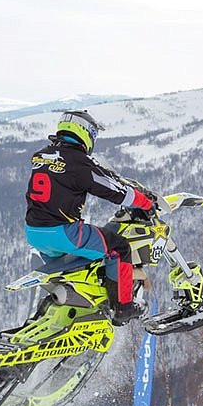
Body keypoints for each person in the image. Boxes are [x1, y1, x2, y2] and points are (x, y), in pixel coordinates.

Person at [24, 110, 156, 325]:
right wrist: (145, 203)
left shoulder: (42, 155)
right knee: (119, 248)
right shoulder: (78, 162)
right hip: (63, 233)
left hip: (35, 233)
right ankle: (123, 307)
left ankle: (78, 305)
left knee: (81, 266)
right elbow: (115, 190)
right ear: (85, 132)